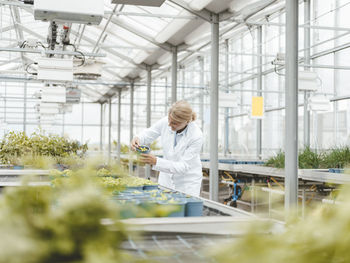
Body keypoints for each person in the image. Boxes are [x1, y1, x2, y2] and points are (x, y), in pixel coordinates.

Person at [131, 100, 203, 197]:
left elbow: (183, 166)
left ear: (186, 121)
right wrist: (138, 138)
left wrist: (156, 161)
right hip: (166, 179)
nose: (169, 124)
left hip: (187, 182)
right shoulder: (166, 122)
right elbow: (149, 133)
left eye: (174, 123)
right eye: (169, 120)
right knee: (164, 209)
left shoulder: (196, 135)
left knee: (186, 210)